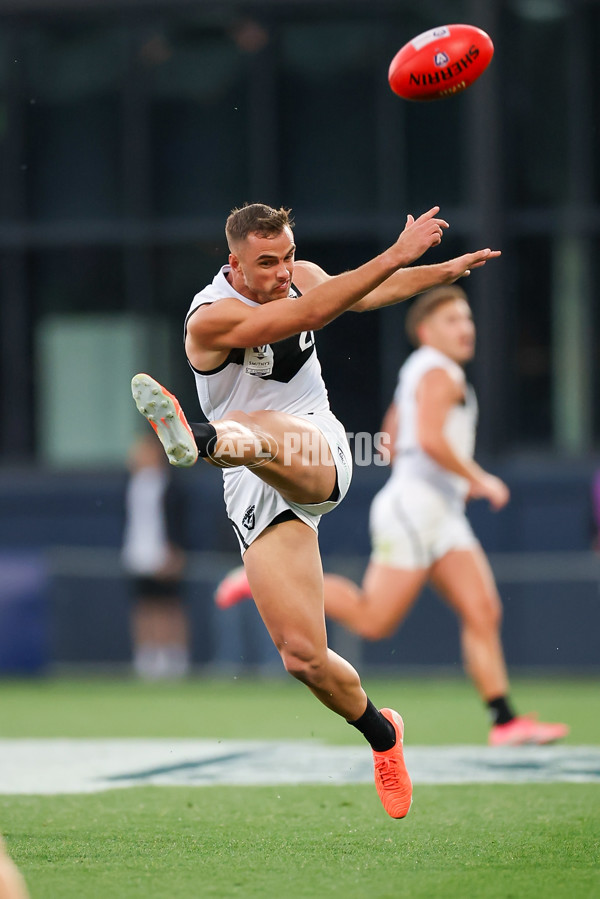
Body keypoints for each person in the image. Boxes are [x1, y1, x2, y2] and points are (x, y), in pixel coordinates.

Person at [132, 202, 500, 818]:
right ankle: (383, 734)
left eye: (289, 257)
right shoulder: (211, 318)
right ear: (235, 265)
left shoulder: (299, 275)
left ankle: (196, 440)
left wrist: (435, 272)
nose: (282, 272)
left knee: (251, 425)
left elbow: (360, 294)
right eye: (267, 263)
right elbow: (309, 314)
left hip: (315, 444)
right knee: (303, 656)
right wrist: (394, 251)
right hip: (252, 484)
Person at [317, 284, 568, 746]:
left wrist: (444, 481)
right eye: (453, 320)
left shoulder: (419, 370)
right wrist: (477, 478)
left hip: (435, 510)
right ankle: (273, 584)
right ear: (426, 331)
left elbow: (392, 438)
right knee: (374, 621)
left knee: (482, 609)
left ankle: (505, 722)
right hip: (418, 510)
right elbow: (430, 440)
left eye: (468, 319)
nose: (466, 328)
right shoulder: (441, 372)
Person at [122, 433, 190, 679]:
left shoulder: (169, 483)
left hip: (165, 554)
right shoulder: (133, 484)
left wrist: (175, 551)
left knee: (169, 606)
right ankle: (147, 657)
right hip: (139, 555)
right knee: (144, 605)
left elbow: (180, 521)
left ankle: (173, 657)